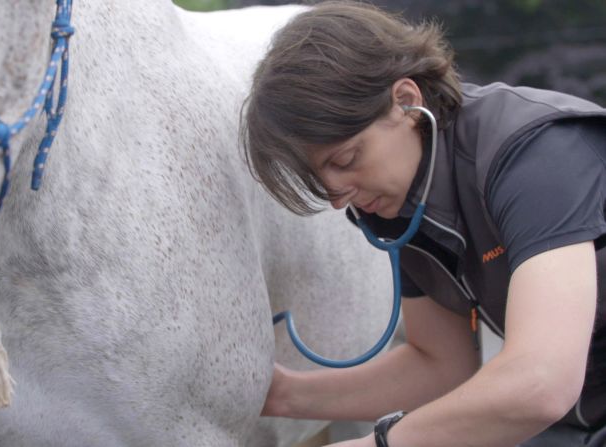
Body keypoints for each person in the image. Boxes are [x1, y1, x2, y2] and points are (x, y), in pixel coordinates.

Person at [242, 1, 606, 446]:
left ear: (406, 102)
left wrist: (381, 442)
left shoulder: (533, 156)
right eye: (322, 180)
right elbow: (440, 363)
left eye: (347, 159)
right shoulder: (398, 205)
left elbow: (541, 382)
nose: (339, 199)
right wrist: (283, 396)